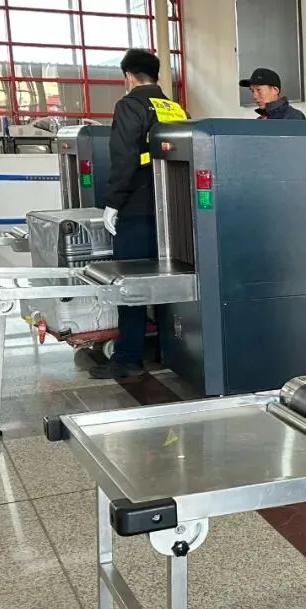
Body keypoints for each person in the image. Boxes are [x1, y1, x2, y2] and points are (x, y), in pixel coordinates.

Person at [91, 48, 187, 380]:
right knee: (168, 283)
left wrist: (113, 202)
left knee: (130, 283)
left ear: (129, 76)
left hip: (137, 208)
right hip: (174, 212)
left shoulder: (130, 105)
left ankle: (128, 358)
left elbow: (124, 157)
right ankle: (169, 349)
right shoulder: (176, 108)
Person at [239, 68, 306, 120]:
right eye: (252, 91)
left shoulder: (294, 117)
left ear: (275, 90)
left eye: (259, 90)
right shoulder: (259, 121)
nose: (254, 96)